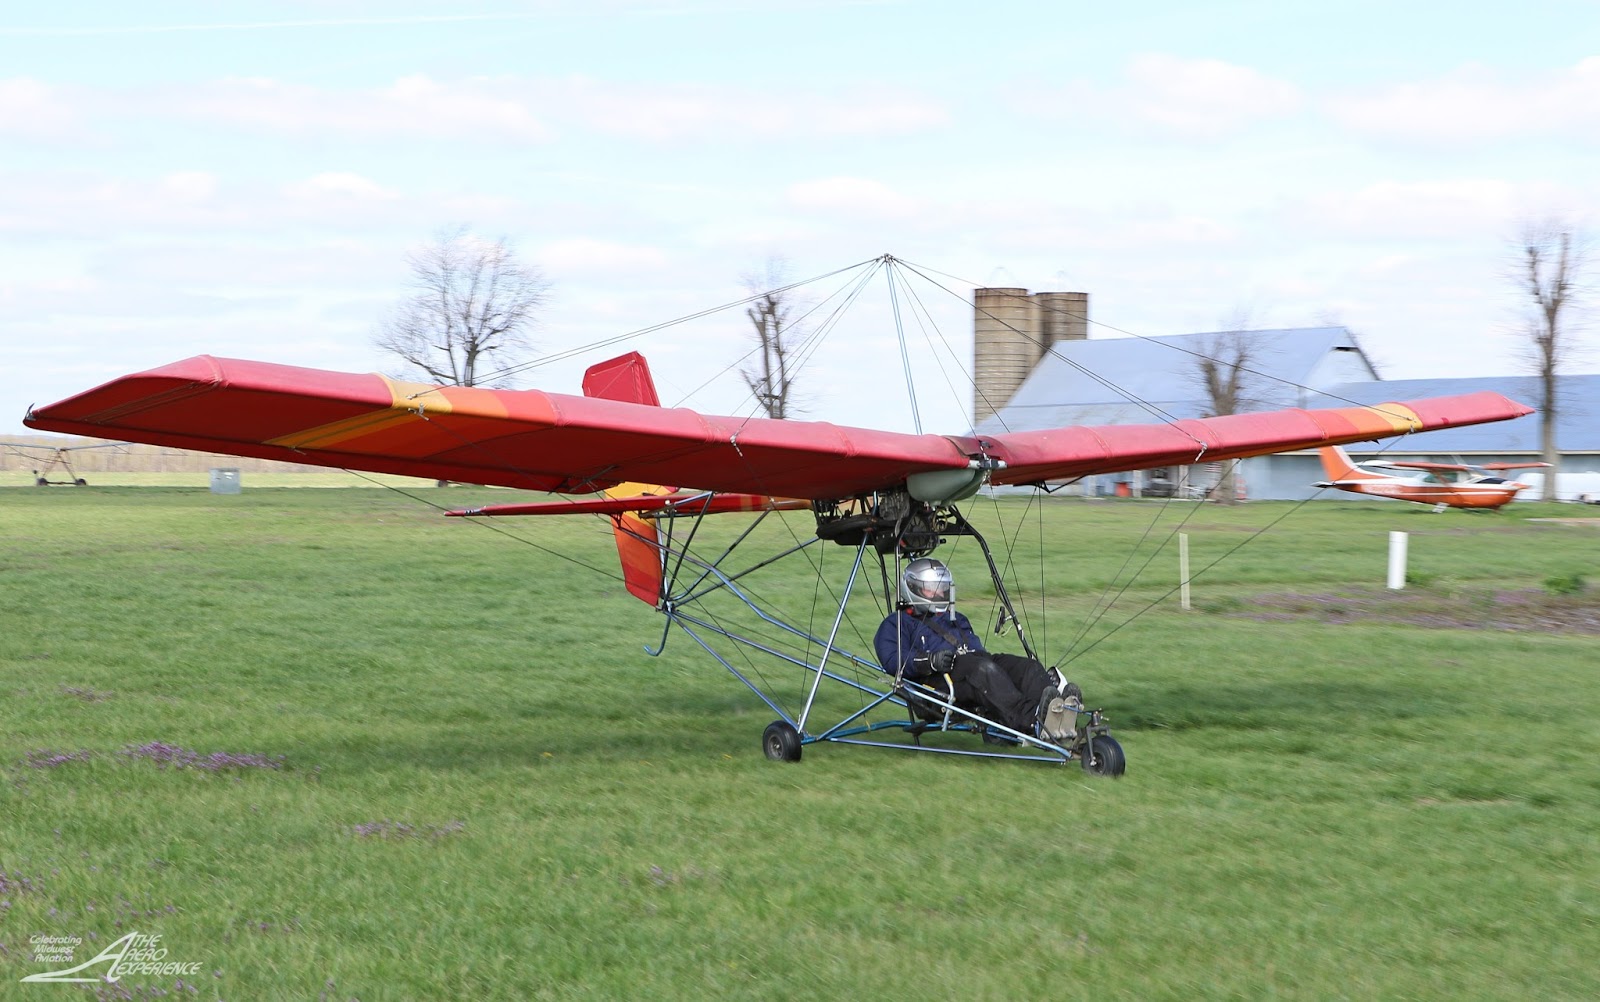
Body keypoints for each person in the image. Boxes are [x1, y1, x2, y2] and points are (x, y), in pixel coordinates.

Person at [872, 557, 1082, 743]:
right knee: (983, 669)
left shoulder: (956, 617)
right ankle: (1033, 720)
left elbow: (976, 651)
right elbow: (892, 660)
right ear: (913, 588)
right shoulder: (897, 623)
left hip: (976, 665)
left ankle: (1058, 711)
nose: (939, 593)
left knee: (1027, 667)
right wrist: (928, 661)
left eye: (943, 588)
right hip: (938, 682)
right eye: (932, 588)